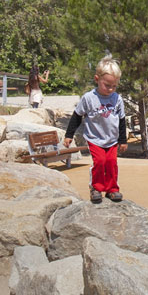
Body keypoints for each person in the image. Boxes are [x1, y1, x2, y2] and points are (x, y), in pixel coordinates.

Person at [64, 56, 126, 204]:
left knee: (111, 162)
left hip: (111, 139)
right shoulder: (89, 98)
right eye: (107, 85)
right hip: (95, 138)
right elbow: (77, 116)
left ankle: (112, 189)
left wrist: (122, 140)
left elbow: (122, 120)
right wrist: (69, 135)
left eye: (114, 86)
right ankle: (96, 188)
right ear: (97, 79)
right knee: (100, 162)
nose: (110, 89)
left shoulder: (117, 99)